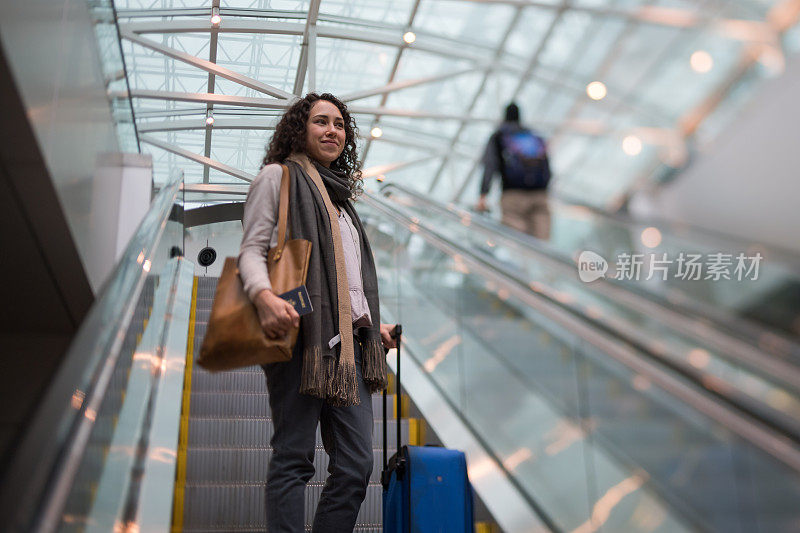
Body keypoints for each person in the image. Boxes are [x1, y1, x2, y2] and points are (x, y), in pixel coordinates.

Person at [238, 93, 397, 532]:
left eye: (340, 125)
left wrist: (372, 325)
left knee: (356, 464)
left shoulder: (343, 201)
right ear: (299, 129)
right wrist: (265, 297)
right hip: (298, 333)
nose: (332, 131)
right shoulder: (277, 177)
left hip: (348, 346)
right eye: (321, 122)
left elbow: (345, 283)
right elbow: (252, 250)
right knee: (294, 457)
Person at [475, 102, 552, 240]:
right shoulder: (534, 136)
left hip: (513, 195)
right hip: (539, 195)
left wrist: (483, 195)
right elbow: (547, 165)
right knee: (542, 243)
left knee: (516, 241)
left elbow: (490, 166)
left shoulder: (498, 137)